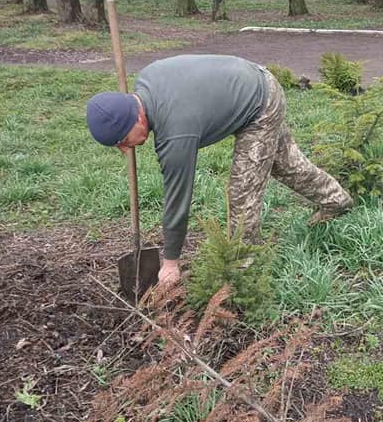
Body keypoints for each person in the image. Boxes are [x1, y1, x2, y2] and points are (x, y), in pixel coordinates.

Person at [86, 54, 353, 285]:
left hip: (259, 104)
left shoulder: (176, 133)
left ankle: (243, 273)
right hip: (253, 80)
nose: (124, 149)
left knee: (242, 191)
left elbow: (178, 198)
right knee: (286, 165)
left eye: (122, 141)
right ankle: (337, 201)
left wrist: (170, 263)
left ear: (136, 118)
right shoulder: (146, 80)